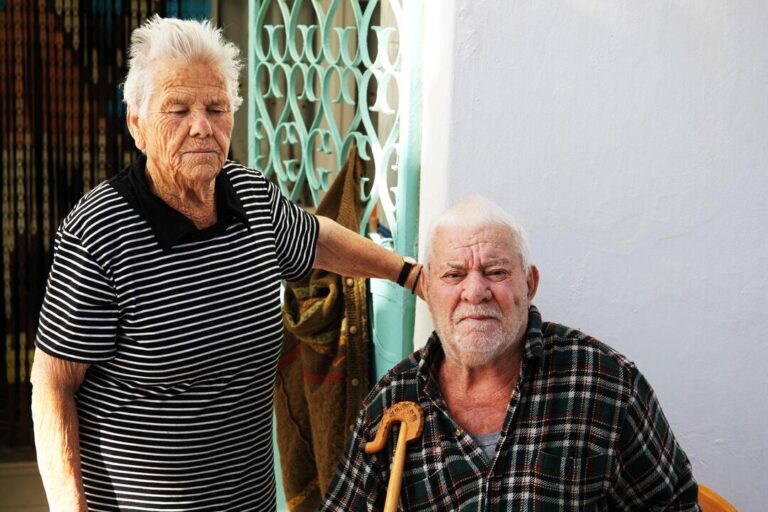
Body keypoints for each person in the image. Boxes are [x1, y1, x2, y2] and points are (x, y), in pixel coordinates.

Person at [30, 16, 423, 511]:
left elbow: (317, 239)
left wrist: (410, 274)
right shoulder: (99, 232)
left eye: (216, 107)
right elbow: (52, 386)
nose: (202, 125)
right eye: (178, 109)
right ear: (137, 126)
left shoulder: (250, 196)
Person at [321, 196, 700, 511]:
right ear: (428, 289)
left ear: (530, 282)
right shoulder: (392, 404)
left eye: (496, 271)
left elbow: (676, 506)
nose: (475, 291)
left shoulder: (607, 386)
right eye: (453, 275)